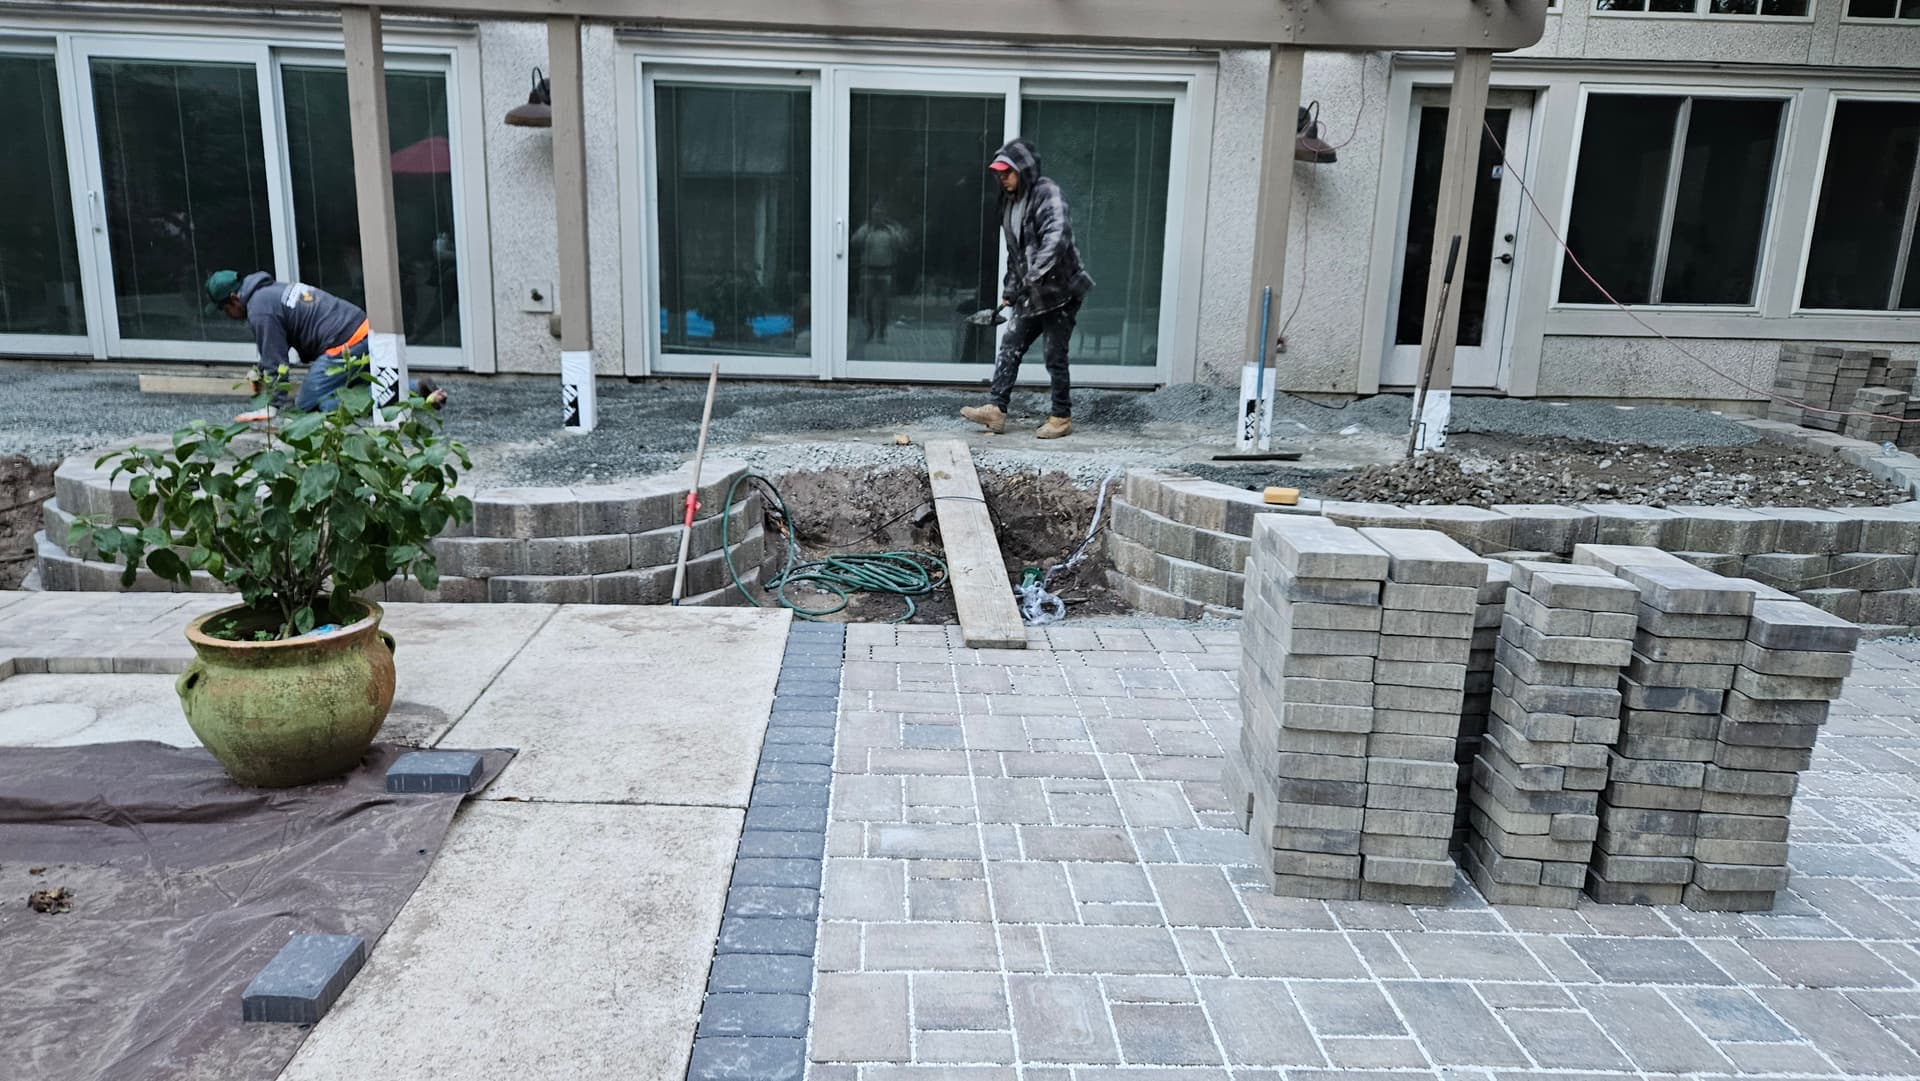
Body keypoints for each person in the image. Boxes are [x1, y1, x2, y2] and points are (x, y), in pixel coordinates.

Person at [960, 138, 1093, 440]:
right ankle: (996, 409)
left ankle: (1061, 416)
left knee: (1053, 353)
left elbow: (1056, 240)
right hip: (1032, 293)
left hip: (1061, 292)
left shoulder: (1047, 193)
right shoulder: (1011, 203)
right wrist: (1011, 289)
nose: (1002, 178)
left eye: (1007, 172)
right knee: (1010, 344)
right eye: (998, 173)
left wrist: (1029, 278)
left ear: (1024, 170)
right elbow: (1015, 253)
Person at [204, 270, 446, 422]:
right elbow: (275, 346)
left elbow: (276, 361)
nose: (228, 315)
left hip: (344, 343)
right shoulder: (268, 291)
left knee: (308, 403)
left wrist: (273, 407)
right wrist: (259, 370)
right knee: (351, 379)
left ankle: (355, 403)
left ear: (235, 299)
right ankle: (416, 390)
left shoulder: (260, 310)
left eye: (225, 310)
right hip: (360, 330)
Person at [850, 204, 909, 344]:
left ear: (884, 215)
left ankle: (882, 331)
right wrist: (865, 231)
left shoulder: (890, 230)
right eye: (874, 213)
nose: (877, 216)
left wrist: (894, 231)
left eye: (880, 213)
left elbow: (902, 243)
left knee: (884, 302)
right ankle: (870, 328)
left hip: (886, 269)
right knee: (866, 301)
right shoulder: (867, 228)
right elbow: (854, 241)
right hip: (868, 270)